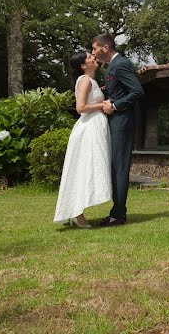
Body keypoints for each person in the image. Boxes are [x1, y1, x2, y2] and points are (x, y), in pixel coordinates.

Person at [52, 51, 112, 228]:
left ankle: (74, 211)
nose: (94, 58)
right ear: (83, 65)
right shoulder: (85, 80)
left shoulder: (90, 81)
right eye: (89, 57)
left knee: (85, 169)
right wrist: (103, 105)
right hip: (89, 128)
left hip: (93, 127)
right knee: (84, 169)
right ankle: (77, 213)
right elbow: (81, 107)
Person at [91, 33, 144, 226]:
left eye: (95, 48)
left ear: (105, 47)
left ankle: (118, 215)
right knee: (115, 168)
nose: (93, 53)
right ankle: (117, 211)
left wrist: (114, 106)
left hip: (123, 123)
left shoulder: (121, 64)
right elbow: (120, 91)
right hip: (116, 122)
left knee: (120, 169)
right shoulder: (112, 66)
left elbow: (137, 91)